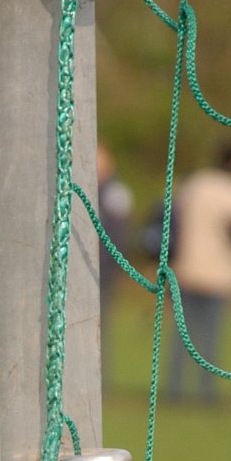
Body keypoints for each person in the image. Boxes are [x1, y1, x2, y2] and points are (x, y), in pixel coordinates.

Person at [165, 144, 231, 405]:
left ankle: (174, 389)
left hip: (186, 267)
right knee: (211, 335)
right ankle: (206, 392)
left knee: (181, 334)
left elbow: (170, 219)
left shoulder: (194, 184)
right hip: (219, 272)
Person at [97, 144, 134, 394]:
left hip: (102, 271)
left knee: (98, 325)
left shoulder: (115, 193)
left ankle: (100, 379)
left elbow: (119, 234)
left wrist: (113, 266)